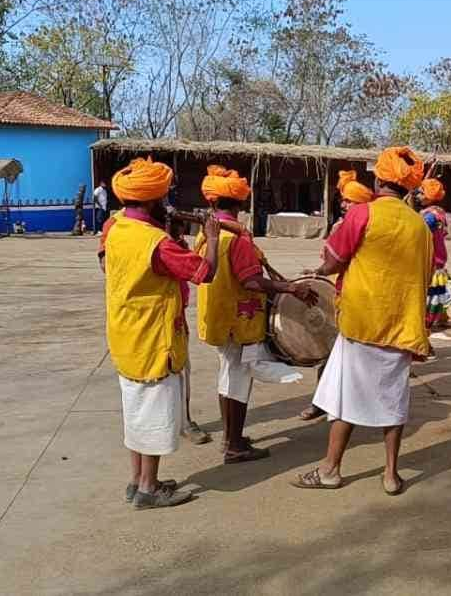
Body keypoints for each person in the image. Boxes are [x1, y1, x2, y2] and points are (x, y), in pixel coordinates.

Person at [292, 146, 432, 496]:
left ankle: (330, 470)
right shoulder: (420, 226)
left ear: (378, 178)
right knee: (393, 399)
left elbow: (335, 259)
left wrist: (319, 271)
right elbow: (427, 273)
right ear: (409, 186)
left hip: (361, 321)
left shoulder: (363, 214)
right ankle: (390, 475)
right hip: (402, 325)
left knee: (346, 398)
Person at [104, 157, 220, 509]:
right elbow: (204, 273)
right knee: (153, 415)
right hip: (154, 338)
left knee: (135, 412)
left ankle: (136, 480)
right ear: (154, 200)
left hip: (126, 335)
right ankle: (149, 489)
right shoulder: (156, 242)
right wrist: (211, 238)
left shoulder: (115, 227)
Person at [196, 165, 317, 463]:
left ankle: (230, 438)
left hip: (218, 317)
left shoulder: (208, 235)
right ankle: (234, 445)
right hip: (239, 321)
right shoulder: (236, 239)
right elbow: (251, 281)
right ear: (241, 205)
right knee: (238, 380)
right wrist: (289, 289)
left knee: (228, 378)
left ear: (212, 202)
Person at [299, 170, 373, 421]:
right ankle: (324, 401)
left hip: (357, 295)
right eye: (343, 200)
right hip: (338, 292)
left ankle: (340, 404)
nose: (343, 205)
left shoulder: (358, 225)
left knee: (340, 352)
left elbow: (334, 261)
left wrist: (321, 271)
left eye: (348, 201)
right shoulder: (341, 225)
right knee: (329, 351)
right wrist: (319, 273)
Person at [417, 178, 451, 329]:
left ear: (428, 196)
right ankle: (441, 317)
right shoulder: (438, 212)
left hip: (432, 259)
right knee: (438, 291)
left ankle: (428, 323)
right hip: (437, 258)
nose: (418, 195)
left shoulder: (431, 216)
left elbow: (419, 229)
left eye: (421, 193)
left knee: (431, 294)